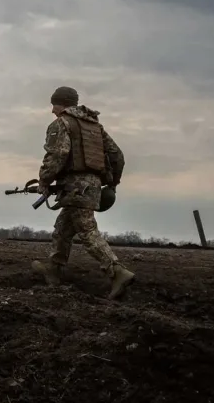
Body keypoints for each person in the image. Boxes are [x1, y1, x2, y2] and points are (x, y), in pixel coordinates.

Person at [31, 86, 136, 300]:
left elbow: (58, 155)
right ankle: (53, 270)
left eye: (54, 105)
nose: (52, 110)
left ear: (61, 104)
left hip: (75, 187)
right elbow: (118, 156)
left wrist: (44, 180)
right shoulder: (95, 126)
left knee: (87, 230)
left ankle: (116, 271)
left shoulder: (61, 124)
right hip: (92, 187)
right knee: (63, 228)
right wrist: (112, 183)